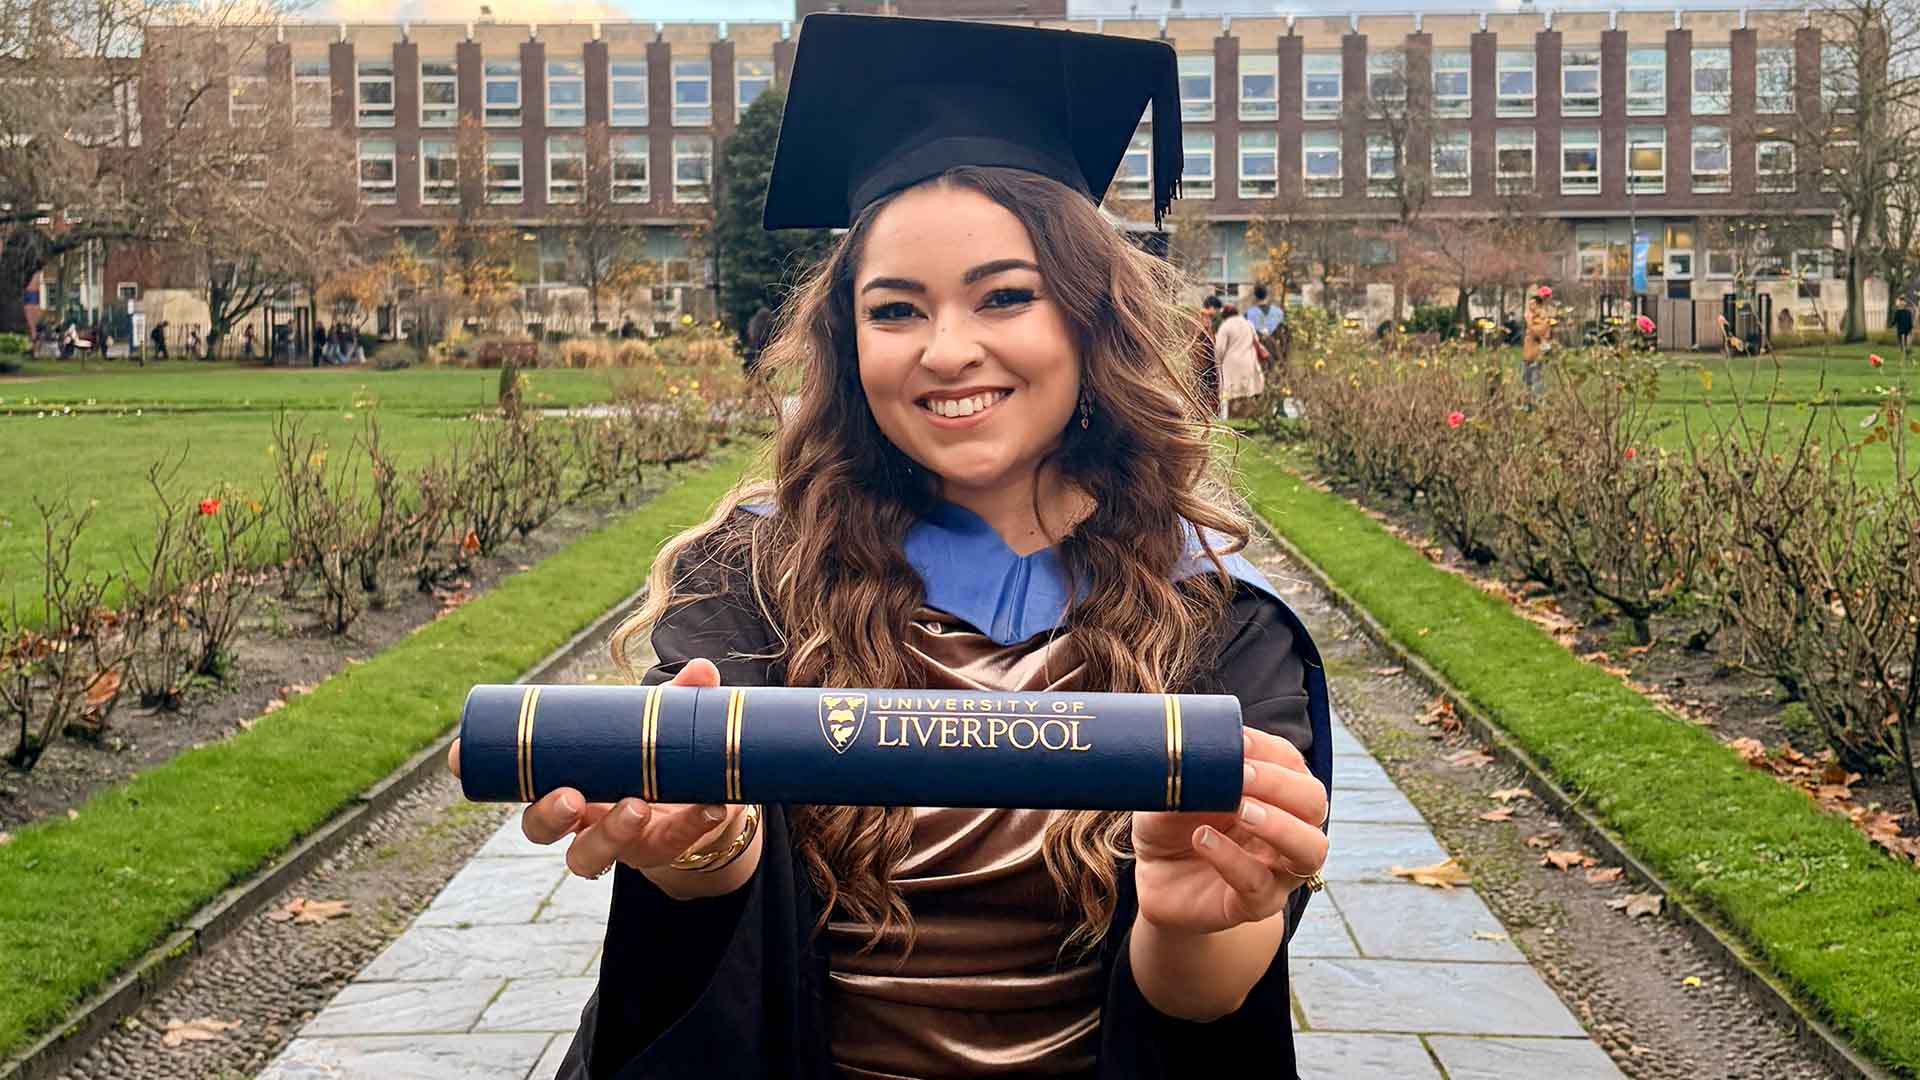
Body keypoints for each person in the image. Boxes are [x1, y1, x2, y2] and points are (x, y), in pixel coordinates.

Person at [447, 15, 1334, 1080]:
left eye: (1006, 296)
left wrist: (1192, 925)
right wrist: (702, 850)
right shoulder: (755, 581)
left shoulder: (1219, 624)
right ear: (848, 338)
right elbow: (704, 918)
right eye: (896, 308)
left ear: (1093, 320)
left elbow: (1211, 999)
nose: (948, 349)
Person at [1213, 302, 1265, 421]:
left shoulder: (1226, 326)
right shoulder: (1248, 323)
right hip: (1249, 361)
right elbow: (1256, 341)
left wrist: (1217, 363)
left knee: (1229, 392)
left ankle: (1228, 418)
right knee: (1248, 391)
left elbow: (1220, 348)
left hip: (1231, 364)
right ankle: (1249, 417)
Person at [1521, 289, 1553, 403]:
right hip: (1527, 354)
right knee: (1525, 379)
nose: (1530, 306)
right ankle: (1527, 402)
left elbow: (1539, 333)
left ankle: (1540, 401)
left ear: (1539, 305)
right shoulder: (1532, 317)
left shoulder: (1543, 317)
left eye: (1532, 304)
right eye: (1529, 304)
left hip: (1537, 355)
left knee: (1536, 379)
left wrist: (1529, 322)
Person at [1245, 284, 1286, 366]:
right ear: (1267, 295)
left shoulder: (1248, 315)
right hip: (1276, 355)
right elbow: (1285, 337)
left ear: (1255, 296)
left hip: (1257, 356)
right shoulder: (1279, 313)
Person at [743, 303, 775, 375]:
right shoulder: (757, 321)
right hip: (760, 346)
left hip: (760, 346)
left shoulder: (755, 321)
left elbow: (752, 335)